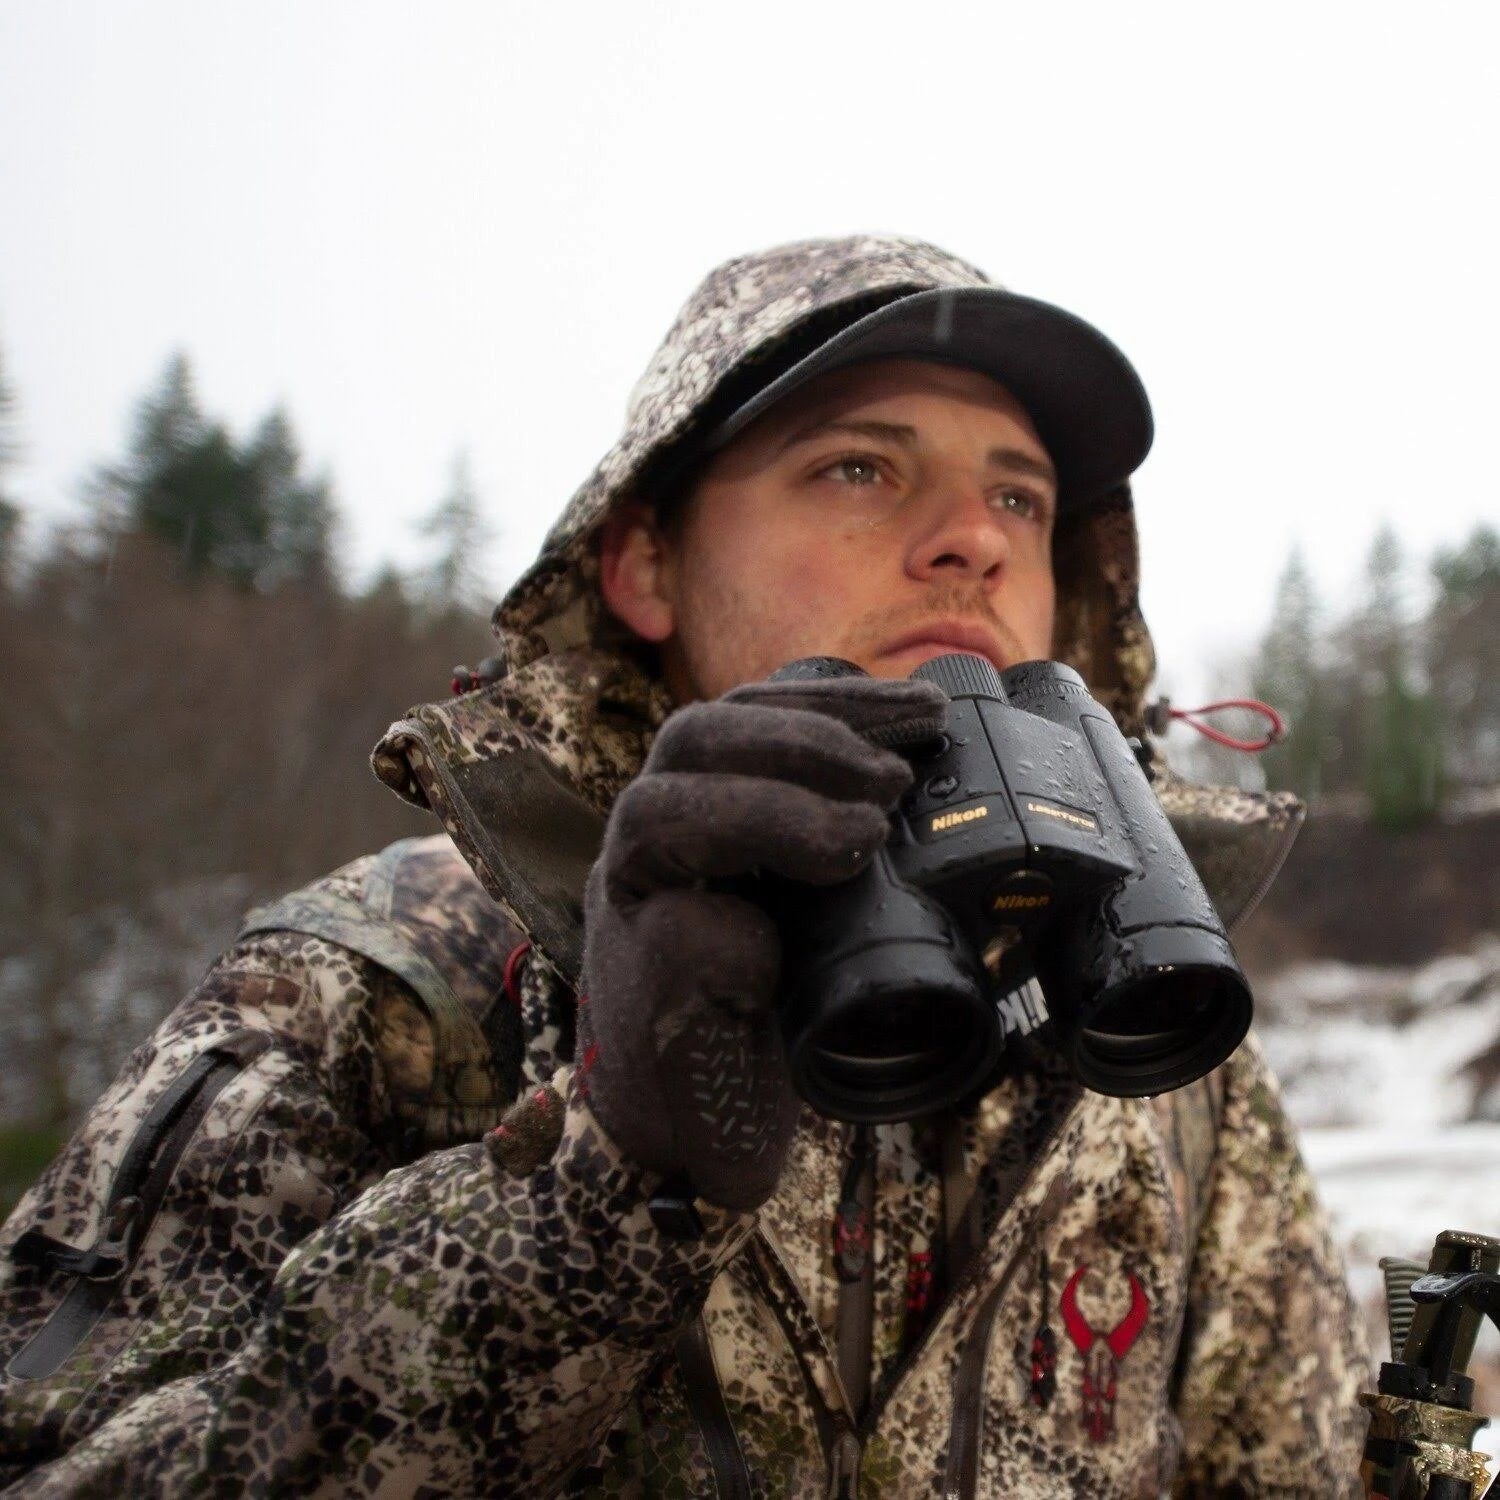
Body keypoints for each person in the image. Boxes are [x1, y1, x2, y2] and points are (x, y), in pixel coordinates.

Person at [0, 234, 1369, 1496]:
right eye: (860, 468)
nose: (980, 538)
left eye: (1021, 495)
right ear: (645, 564)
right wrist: (596, 1190)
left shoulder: (1160, 1044)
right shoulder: (376, 985)